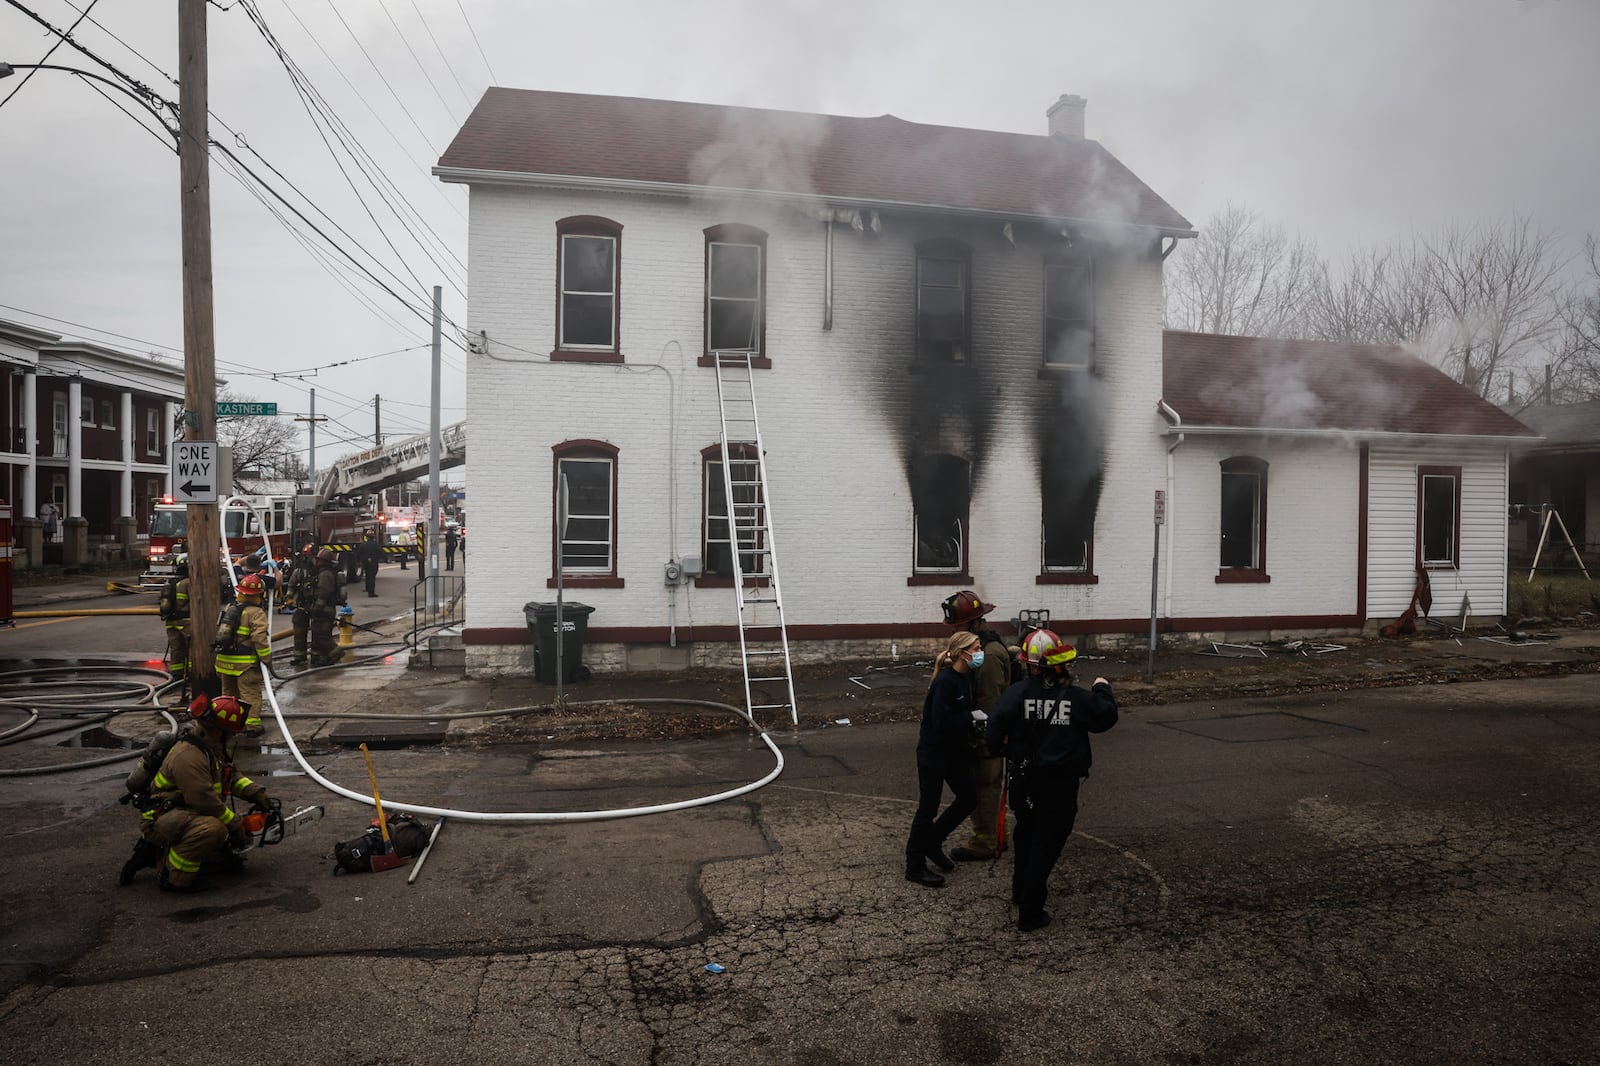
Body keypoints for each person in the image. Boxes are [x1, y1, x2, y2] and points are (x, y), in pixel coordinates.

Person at [985, 628, 1118, 932]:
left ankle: (1020, 891)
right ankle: (1030, 911)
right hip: (1059, 784)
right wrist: (1102, 688)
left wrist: (1008, 752)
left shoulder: (1016, 694)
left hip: (1023, 780)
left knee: (1027, 833)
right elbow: (1105, 717)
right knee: (1048, 842)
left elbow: (993, 733)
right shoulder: (1075, 697)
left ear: (1029, 663)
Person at [118, 694, 276, 892]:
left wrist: (257, 793)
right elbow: (204, 800)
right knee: (214, 830)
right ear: (219, 731)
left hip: (185, 813)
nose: (234, 736)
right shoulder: (189, 756)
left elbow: (229, 776)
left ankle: (157, 855)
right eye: (231, 732)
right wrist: (235, 825)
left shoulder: (210, 747)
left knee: (225, 859)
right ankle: (174, 877)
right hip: (160, 819)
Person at [903, 630, 983, 888]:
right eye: (977, 648)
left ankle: (933, 842)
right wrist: (971, 718)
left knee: (969, 797)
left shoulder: (966, 676)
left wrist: (976, 721)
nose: (980, 653)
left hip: (956, 750)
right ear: (963, 653)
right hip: (934, 751)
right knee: (928, 806)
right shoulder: (946, 681)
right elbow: (940, 721)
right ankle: (914, 865)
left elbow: (963, 711)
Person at [940, 590, 1013, 863]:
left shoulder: (989, 655)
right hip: (980, 733)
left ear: (974, 623)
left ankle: (985, 843)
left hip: (987, 736)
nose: (954, 632)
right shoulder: (978, 649)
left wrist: (984, 738)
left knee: (985, 787)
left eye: (958, 627)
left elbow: (989, 702)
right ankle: (994, 836)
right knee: (982, 786)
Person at [213, 573, 273, 736]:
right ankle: (253, 727)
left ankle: (228, 724)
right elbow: (259, 639)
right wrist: (266, 659)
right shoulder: (256, 613)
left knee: (228, 695)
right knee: (250, 694)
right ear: (259, 595)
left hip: (224, 661)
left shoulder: (229, 608)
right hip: (244, 665)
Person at [158, 553, 192, 689]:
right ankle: (191, 673)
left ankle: (177, 674)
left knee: (176, 649)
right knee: (192, 648)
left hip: (171, 622)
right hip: (187, 621)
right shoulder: (189, 583)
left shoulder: (171, 583)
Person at [309, 547, 344, 666]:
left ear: (322, 561)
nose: (316, 562)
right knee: (320, 634)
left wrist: (317, 608)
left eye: (318, 560)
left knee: (321, 635)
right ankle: (322, 659)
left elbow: (324, 593)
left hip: (324, 610)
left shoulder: (325, 575)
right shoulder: (325, 573)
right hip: (326, 609)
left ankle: (336, 652)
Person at [287, 542, 317, 664]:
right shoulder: (299, 572)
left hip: (317, 607)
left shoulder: (322, 572)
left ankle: (316, 656)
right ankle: (300, 656)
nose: (308, 560)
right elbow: (291, 586)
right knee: (299, 631)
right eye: (306, 556)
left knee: (318, 633)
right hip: (302, 606)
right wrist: (289, 598)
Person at [359, 529, 382, 598]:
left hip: (365, 563)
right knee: (372, 577)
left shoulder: (363, 545)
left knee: (367, 575)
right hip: (373, 563)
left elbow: (359, 553)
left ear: (367, 537)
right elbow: (380, 552)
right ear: (373, 537)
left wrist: (359, 560)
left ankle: (367, 588)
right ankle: (371, 593)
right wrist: (385, 559)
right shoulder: (376, 545)